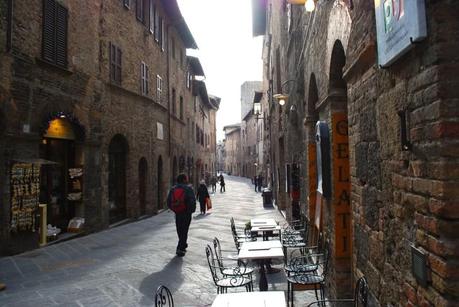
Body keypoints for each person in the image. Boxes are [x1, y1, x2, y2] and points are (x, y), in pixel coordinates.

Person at [167, 173, 196, 257]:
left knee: (179, 229)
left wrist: (175, 209)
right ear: (184, 179)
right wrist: (190, 211)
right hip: (186, 213)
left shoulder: (173, 189)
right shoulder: (188, 189)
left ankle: (183, 245)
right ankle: (180, 248)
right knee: (184, 230)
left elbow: (169, 202)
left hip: (178, 213)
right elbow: (192, 201)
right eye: (186, 179)